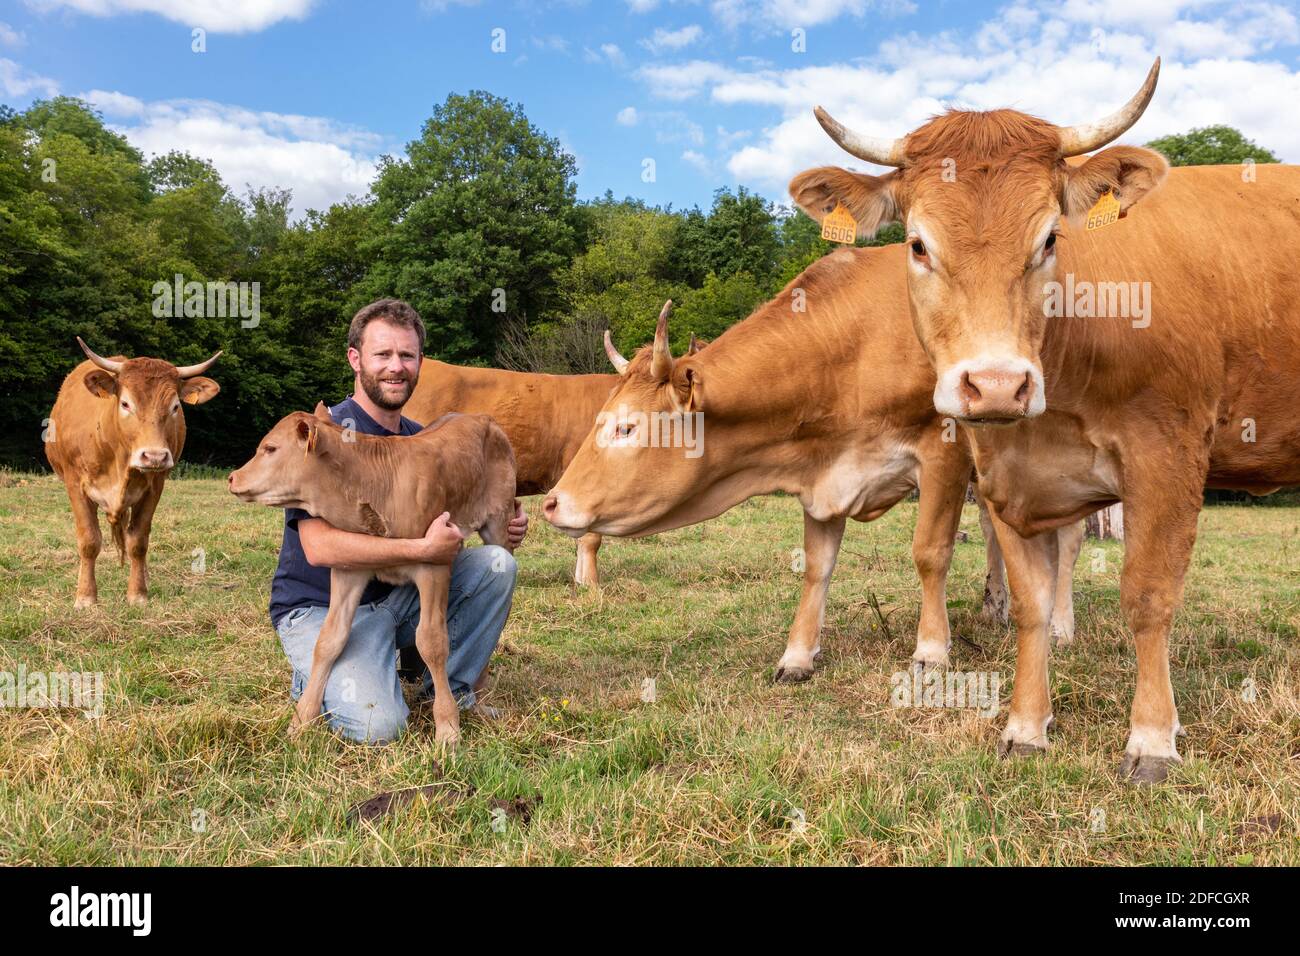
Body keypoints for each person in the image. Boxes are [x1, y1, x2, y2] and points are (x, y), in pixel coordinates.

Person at [268, 298, 528, 743]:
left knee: (496, 566)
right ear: (355, 358)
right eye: (383, 355)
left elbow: (440, 540)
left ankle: (448, 684)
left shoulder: (418, 439)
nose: (396, 367)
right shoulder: (324, 434)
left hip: (397, 597)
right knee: (378, 724)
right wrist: (421, 550)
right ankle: (319, 681)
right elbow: (320, 548)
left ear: (421, 362)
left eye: (407, 356)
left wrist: (483, 525)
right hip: (321, 606)